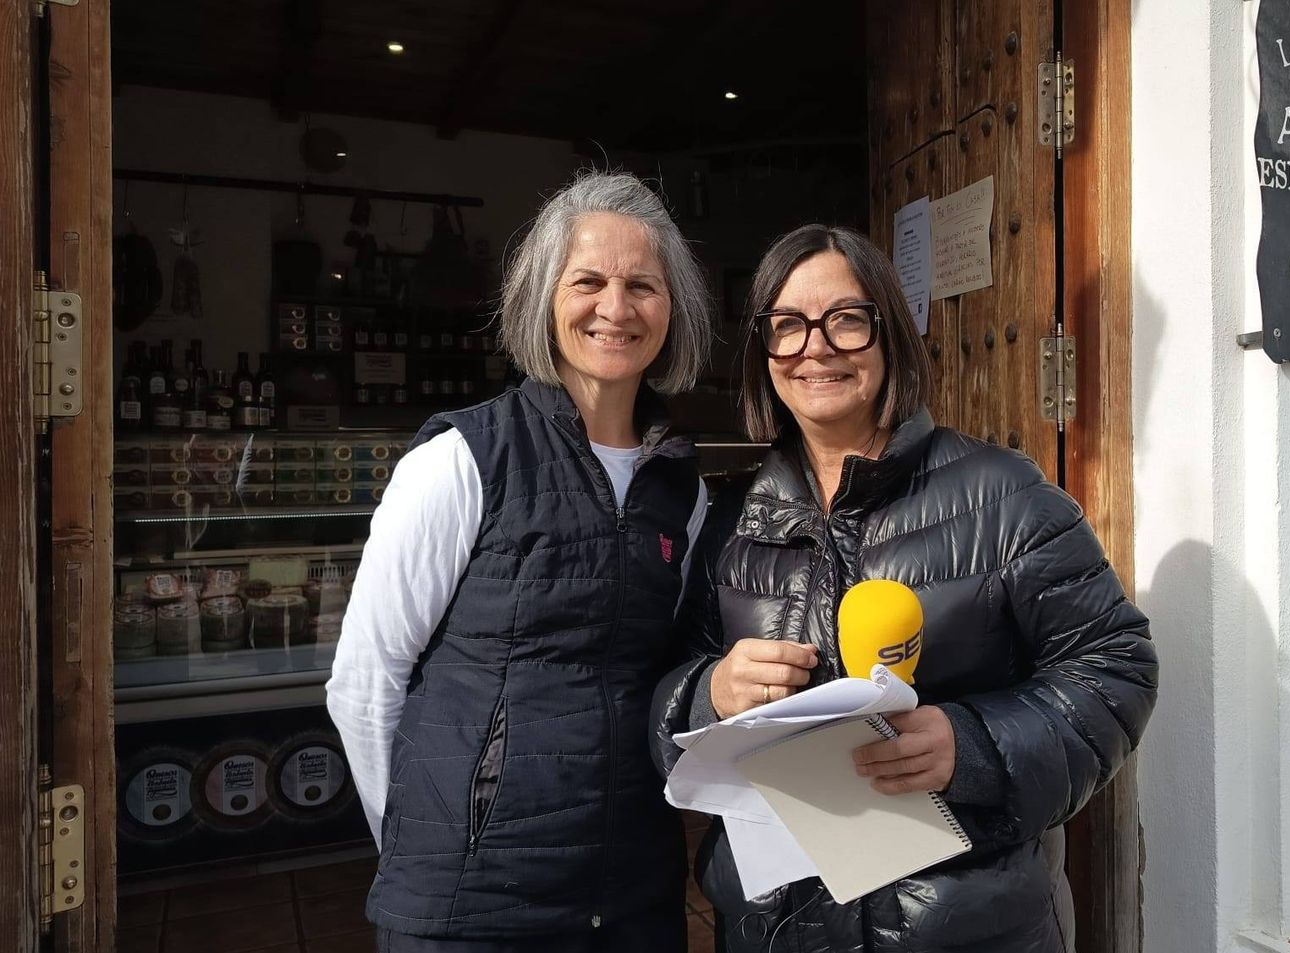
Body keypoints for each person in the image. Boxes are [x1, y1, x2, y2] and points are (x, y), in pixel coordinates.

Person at [652, 224, 1158, 953]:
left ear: (889, 333)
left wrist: (974, 744)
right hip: (778, 926)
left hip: (964, 929)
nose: (815, 347)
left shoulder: (1003, 497)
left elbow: (1116, 668)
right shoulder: (733, 521)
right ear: (764, 351)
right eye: (787, 325)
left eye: (846, 319)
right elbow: (667, 685)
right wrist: (710, 692)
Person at [328, 171, 713, 952]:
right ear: (544, 298)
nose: (615, 307)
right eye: (588, 281)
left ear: (673, 311)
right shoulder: (462, 460)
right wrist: (418, 843)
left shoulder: (684, 491)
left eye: (642, 285)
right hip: (472, 907)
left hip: (632, 893)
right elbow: (365, 681)